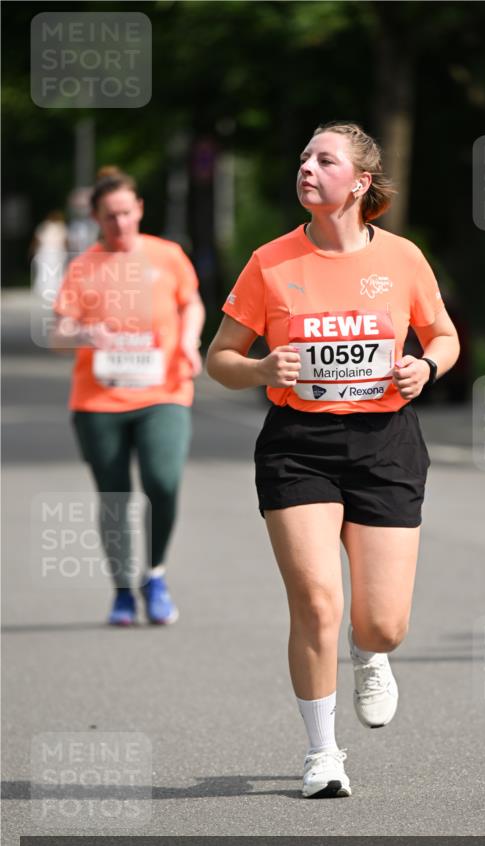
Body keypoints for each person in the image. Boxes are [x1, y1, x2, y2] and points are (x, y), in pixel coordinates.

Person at [206, 122, 460, 797]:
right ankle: (322, 755)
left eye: (324, 160)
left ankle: (370, 653)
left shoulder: (402, 259)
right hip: (299, 447)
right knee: (317, 602)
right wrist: (261, 366)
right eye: (303, 158)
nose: (307, 168)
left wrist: (425, 367)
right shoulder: (270, 262)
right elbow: (219, 361)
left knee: (381, 621)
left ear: (360, 182)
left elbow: (443, 334)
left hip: (386, 443)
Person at [51, 166, 205, 626]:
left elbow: (191, 302)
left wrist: (189, 341)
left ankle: (154, 574)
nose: (120, 223)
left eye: (126, 212)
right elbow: (59, 333)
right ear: (97, 218)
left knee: (163, 481)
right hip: (99, 401)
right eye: (110, 216)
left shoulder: (168, 255)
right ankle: (122, 591)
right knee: (114, 495)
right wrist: (84, 332)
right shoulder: (84, 267)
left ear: (139, 209)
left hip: (165, 390)